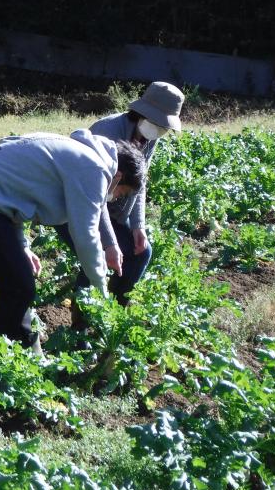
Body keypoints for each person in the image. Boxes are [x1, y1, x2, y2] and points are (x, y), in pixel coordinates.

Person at [0, 130, 147, 352]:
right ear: (119, 176)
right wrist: (101, 290)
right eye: (122, 193)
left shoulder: (81, 153)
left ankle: (17, 352)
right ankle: (12, 359)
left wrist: (22, 246)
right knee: (19, 287)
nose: (117, 197)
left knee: (18, 281)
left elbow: (18, 190)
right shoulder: (94, 169)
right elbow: (86, 236)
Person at [57, 81, 184, 330]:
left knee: (141, 252)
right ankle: (80, 327)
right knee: (97, 255)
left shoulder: (149, 136)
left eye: (164, 127)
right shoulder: (107, 130)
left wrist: (138, 226)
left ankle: (112, 313)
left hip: (113, 208)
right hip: (77, 204)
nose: (161, 131)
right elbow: (94, 193)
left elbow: (139, 180)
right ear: (143, 113)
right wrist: (110, 243)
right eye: (159, 123)